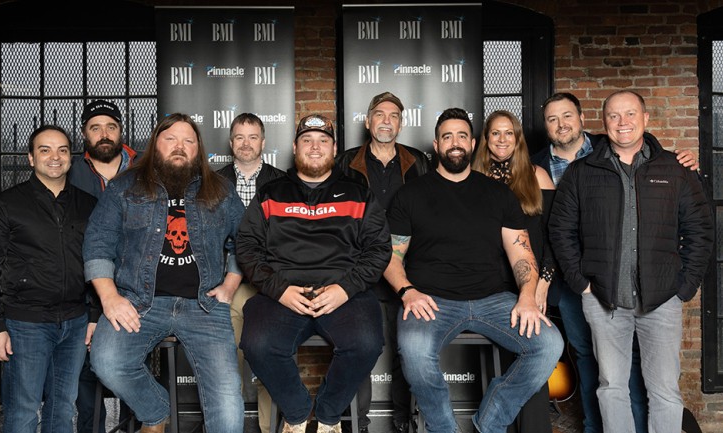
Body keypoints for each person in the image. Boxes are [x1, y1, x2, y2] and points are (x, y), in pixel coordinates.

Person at [384, 107, 563, 433]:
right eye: (447, 136)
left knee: (549, 345)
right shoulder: (410, 195)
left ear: (473, 143)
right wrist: (407, 292)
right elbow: (391, 257)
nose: (455, 143)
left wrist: (526, 295)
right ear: (436, 146)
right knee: (414, 352)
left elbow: (521, 254)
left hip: (493, 299)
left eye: (462, 136)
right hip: (431, 301)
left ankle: (491, 423)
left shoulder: (498, 194)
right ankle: (444, 429)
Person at [532, 92, 698, 433]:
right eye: (614, 116)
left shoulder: (671, 167)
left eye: (630, 114)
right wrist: (582, 282)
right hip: (596, 291)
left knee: (661, 386)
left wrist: (684, 285)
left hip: (659, 295)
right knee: (604, 378)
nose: (622, 122)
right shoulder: (563, 169)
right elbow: (559, 230)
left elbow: (700, 229)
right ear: (604, 121)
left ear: (646, 117)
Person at [84, 113, 246, 433]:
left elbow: (246, 241)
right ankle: (157, 413)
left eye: (188, 141)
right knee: (107, 362)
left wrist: (230, 284)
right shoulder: (124, 187)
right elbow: (97, 244)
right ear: (155, 144)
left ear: (198, 149)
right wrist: (110, 297)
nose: (179, 147)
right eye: (171, 139)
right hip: (140, 301)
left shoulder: (220, 190)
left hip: (204, 305)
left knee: (227, 406)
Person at [236, 114, 391, 433]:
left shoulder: (357, 192)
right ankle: (296, 417)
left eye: (323, 140)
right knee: (258, 344)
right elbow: (247, 246)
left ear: (334, 149)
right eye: (307, 140)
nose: (315, 146)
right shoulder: (271, 192)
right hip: (284, 294)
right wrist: (279, 289)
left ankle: (328, 419)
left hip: (344, 294)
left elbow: (379, 249)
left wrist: (345, 289)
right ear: (295, 147)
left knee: (366, 342)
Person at [0, 125, 98, 433]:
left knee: (63, 407)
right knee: (23, 410)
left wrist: (94, 314)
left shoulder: (89, 205)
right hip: (25, 324)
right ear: (30, 158)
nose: (54, 157)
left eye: (62, 150)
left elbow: (100, 262)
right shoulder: (6, 204)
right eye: (45, 150)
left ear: (71, 158)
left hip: (75, 322)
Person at [334, 91, 429, 433]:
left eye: (393, 115)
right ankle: (356, 423)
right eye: (379, 114)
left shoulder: (419, 162)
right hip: (359, 270)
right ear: (367, 121)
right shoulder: (345, 163)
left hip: (408, 270)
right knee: (358, 347)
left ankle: (404, 420)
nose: (386, 120)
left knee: (409, 349)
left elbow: (430, 215)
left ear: (401, 123)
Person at [472, 109, 556, 433]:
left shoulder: (537, 176)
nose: (503, 139)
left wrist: (542, 286)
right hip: (491, 288)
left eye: (509, 133)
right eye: (496, 133)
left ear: (518, 139)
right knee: (501, 365)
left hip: (530, 286)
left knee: (533, 360)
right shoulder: (473, 179)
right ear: (486, 139)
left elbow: (554, 236)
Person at [69, 99, 139, 433]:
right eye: (95, 127)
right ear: (84, 133)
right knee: (86, 366)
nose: (104, 134)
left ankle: (131, 425)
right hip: (85, 283)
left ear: (120, 131)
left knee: (133, 361)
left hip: (134, 282)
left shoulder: (143, 168)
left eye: (111, 126)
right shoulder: (70, 171)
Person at [217, 112, 284, 433]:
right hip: (227, 286)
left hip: (269, 286)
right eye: (240, 137)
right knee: (228, 367)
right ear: (231, 143)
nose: (246, 143)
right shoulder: (213, 183)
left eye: (252, 137)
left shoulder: (283, 182)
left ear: (263, 142)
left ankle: (269, 429)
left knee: (269, 364)